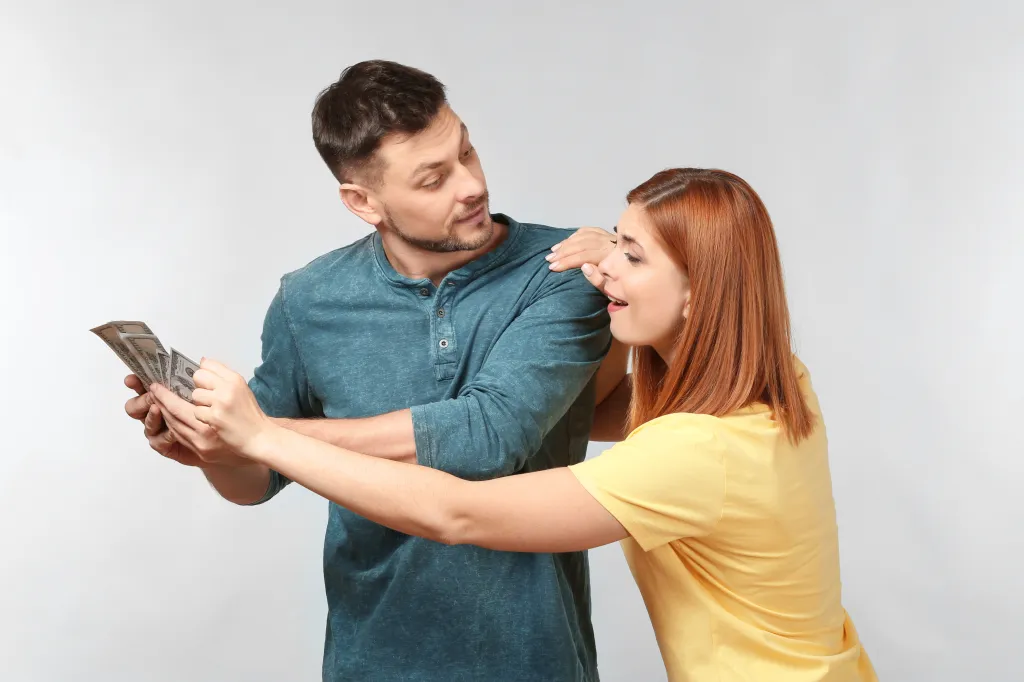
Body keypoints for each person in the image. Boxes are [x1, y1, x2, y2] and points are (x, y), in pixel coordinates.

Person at [152, 167, 879, 682]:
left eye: (632, 254)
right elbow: (604, 410)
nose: (603, 263)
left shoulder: (697, 452)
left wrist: (266, 435)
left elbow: (457, 512)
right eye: (612, 240)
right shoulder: (775, 383)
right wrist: (615, 282)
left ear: (700, 292)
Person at [124, 60, 627, 681]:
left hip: (532, 660)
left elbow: (488, 437)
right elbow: (255, 482)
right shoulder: (307, 299)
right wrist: (208, 445)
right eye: (433, 179)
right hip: (371, 660)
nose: (469, 185)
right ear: (363, 202)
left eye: (467, 152)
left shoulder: (564, 272)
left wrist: (260, 431)